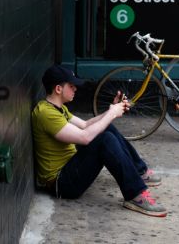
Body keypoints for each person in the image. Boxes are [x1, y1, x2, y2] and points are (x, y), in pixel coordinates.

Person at [31, 64, 167, 217]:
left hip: (71, 168)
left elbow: (85, 125)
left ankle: (140, 172)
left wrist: (112, 110)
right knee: (104, 139)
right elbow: (85, 137)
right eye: (71, 85)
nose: (75, 89)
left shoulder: (58, 108)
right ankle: (135, 195)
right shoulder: (46, 113)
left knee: (106, 128)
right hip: (62, 183)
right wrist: (111, 114)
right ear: (58, 89)